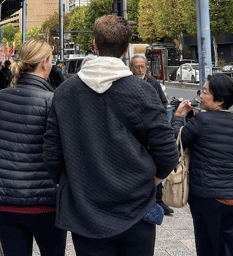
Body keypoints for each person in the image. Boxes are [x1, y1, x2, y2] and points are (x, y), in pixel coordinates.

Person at [44, 15, 178, 256]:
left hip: (85, 211)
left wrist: (70, 183)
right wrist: (151, 183)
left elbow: (52, 154)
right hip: (136, 210)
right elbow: (168, 154)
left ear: (95, 45)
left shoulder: (65, 92)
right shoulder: (144, 92)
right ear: (126, 49)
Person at [0, 39, 67, 256]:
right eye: (50, 60)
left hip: (4, 200)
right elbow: (59, 152)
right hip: (45, 202)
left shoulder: (0, 98)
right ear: (43, 63)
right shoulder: (53, 101)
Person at [171, 73, 233, 256]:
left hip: (209, 198)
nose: (200, 95)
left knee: (209, 249)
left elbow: (176, 141)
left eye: (205, 92)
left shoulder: (202, 121)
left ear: (219, 100)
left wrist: (178, 117)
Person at [129, 53, 173, 216]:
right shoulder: (128, 83)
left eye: (143, 66)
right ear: (131, 68)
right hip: (135, 132)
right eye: (137, 66)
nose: (140, 69)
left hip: (152, 130)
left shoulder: (153, 83)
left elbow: (163, 103)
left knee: (157, 163)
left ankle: (159, 200)